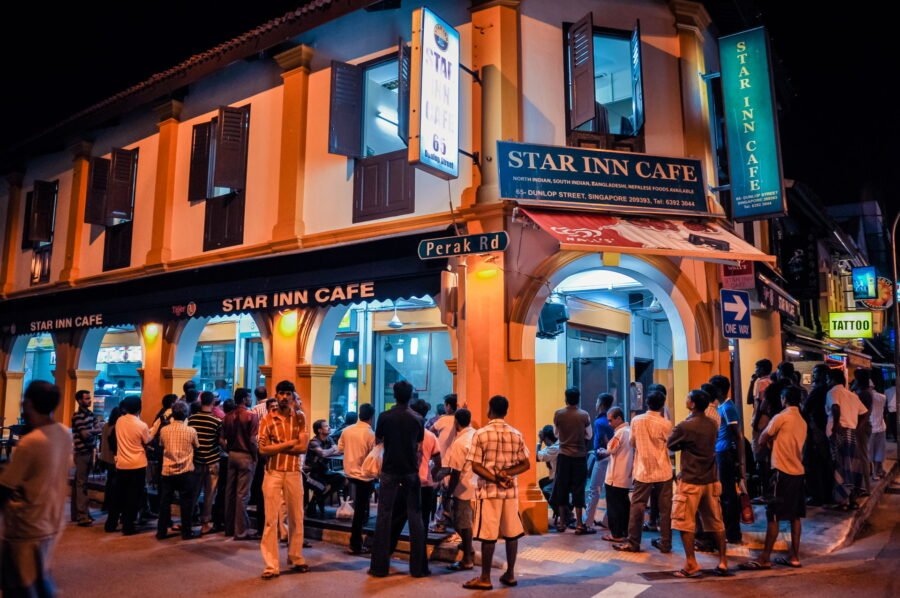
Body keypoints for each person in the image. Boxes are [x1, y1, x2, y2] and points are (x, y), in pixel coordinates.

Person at [0, 381, 73, 598]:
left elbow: (5, 487)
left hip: (26, 527)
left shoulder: (30, 443)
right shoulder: (64, 433)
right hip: (52, 520)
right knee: (39, 579)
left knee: (20, 587)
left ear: (29, 403)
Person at [463, 395, 530, 591]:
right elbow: (525, 463)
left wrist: (495, 478)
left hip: (489, 492)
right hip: (510, 492)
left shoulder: (480, 434)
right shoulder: (516, 434)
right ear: (506, 411)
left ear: (490, 410)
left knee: (488, 535)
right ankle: (510, 574)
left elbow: (475, 465)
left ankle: (485, 578)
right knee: (511, 533)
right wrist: (507, 474)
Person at [741, 386, 808, 570]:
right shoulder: (802, 421)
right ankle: (794, 556)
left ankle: (765, 558)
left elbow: (763, 437)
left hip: (781, 472)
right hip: (798, 472)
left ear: (784, 398)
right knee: (795, 516)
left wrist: (769, 445)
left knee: (774, 515)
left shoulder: (782, 417)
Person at [668, 389, 729, 578]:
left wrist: (684, 445)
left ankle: (691, 563)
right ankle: (723, 561)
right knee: (716, 522)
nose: (685, 399)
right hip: (710, 479)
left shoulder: (685, 426)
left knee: (684, 522)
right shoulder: (712, 424)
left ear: (692, 404)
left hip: (690, 480)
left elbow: (670, 444)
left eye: (688, 397)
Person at [369, 380, 428, 578]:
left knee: (384, 515)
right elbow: (419, 444)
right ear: (411, 395)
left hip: (390, 469)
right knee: (416, 517)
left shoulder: (385, 417)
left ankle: (379, 567)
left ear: (394, 395)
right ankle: (418, 568)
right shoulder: (417, 418)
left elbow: (379, 440)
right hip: (411, 470)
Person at [258, 380, 310, 579]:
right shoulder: (267, 420)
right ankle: (271, 565)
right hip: (273, 472)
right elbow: (263, 450)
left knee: (297, 516)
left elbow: (303, 447)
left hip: (293, 472)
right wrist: (290, 443)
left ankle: (296, 557)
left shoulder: (300, 418)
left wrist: (277, 445)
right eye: (281, 393)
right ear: (276, 395)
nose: (285, 397)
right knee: (271, 520)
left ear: (293, 396)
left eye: (288, 393)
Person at [614, 390, 673, 553]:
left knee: (638, 506)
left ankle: (634, 542)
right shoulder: (666, 424)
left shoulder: (636, 420)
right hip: (663, 470)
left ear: (647, 403)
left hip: (643, 469)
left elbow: (632, 443)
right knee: (665, 508)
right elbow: (670, 445)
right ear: (662, 405)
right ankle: (666, 542)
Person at [551, 387, 593, 534]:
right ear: (578, 399)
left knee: (562, 488)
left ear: (566, 398)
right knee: (578, 489)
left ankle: (562, 523)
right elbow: (589, 435)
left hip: (563, 456)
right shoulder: (584, 415)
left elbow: (556, 434)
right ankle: (580, 523)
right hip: (580, 457)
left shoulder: (559, 414)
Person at [108, 395, 151, 535]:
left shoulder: (120, 420)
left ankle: (111, 523)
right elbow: (147, 440)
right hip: (137, 465)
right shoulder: (141, 425)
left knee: (118, 495)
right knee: (133, 496)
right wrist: (155, 429)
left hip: (121, 464)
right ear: (140, 408)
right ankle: (128, 525)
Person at [338, 402, 376, 555]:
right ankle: (356, 544)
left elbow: (340, 448)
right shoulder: (370, 434)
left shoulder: (347, 431)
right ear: (371, 417)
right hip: (364, 476)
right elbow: (374, 455)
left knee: (359, 510)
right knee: (360, 511)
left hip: (349, 473)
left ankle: (357, 542)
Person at [157, 401, 199, 540]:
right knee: (186, 503)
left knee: (165, 503)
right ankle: (186, 532)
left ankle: (161, 531)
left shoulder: (164, 430)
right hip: (186, 470)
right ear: (186, 414)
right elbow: (196, 446)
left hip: (167, 470)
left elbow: (162, 445)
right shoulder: (191, 431)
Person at [826, 369, 868, 509]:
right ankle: (852, 499)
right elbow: (864, 413)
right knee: (850, 466)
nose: (827, 381)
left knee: (840, 466)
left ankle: (843, 501)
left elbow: (835, 408)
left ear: (832, 380)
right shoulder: (852, 395)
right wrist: (856, 427)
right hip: (851, 433)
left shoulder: (832, 392)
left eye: (828, 378)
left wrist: (836, 426)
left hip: (839, 433)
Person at [442, 408, 477, 572]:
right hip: (476, 484)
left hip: (462, 487)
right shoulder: (476, 435)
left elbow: (455, 472)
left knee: (461, 522)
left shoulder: (460, 442)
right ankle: (467, 547)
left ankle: (468, 558)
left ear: (456, 422)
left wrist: (448, 494)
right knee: (464, 521)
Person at [222, 387, 259, 539]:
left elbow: (222, 439)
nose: (251, 400)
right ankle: (241, 531)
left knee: (229, 493)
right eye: (249, 397)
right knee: (242, 495)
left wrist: (229, 449)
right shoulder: (251, 415)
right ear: (244, 399)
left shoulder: (227, 416)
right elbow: (252, 440)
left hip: (232, 455)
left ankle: (229, 528)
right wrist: (255, 455)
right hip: (245, 456)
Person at [711, 375, 743, 545]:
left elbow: (736, 435)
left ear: (719, 390)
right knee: (724, 494)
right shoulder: (721, 406)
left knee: (728, 495)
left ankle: (733, 533)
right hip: (720, 453)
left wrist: (740, 461)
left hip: (725, 454)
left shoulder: (728, 408)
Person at [189, 390, 223, 534]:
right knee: (209, 495)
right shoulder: (217, 421)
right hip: (212, 461)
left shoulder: (192, 419)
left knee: (194, 493)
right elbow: (219, 441)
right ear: (213, 403)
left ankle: (189, 520)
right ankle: (205, 523)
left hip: (196, 461)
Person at [600, 407, 633, 543]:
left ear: (619, 418)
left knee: (614, 507)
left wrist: (603, 450)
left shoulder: (620, 433)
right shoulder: (630, 431)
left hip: (615, 477)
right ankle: (624, 532)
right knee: (624, 506)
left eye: (610, 420)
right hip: (625, 476)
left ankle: (616, 534)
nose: (609, 423)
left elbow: (611, 448)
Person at [802, 364, 833, 505]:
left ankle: (817, 496)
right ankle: (827, 495)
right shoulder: (830, 390)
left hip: (817, 432)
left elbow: (805, 409)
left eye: (816, 373)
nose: (813, 375)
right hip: (827, 431)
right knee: (826, 464)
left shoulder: (818, 390)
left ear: (822, 375)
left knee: (814, 465)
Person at [584, 393, 615, 530]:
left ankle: (587, 521)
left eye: (597, 401)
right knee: (609, 491)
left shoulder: (599, 422)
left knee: (594, 490)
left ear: (601, 404)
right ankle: (607, 521)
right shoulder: (611, 420)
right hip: (611, 458)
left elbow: (602, 441)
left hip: (601, 458)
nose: (596, 404)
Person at [71, 389, 100, 526]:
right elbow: (84, 434)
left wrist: (92, 431)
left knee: (81, 483)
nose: (89, 400)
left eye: (89, 398)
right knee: (81, 483)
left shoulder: (90, 414)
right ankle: (82, 515)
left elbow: (93, 430)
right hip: (82, 452)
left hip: (89, 451)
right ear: (79, 400)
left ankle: (79, 513)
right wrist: (94, 430)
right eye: (87, 399)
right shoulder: (77, 416)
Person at [411, 399, 442, 531]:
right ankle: (420, 551)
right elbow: (438, 462)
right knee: (423, 520)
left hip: (407, 482)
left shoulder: (405, 434)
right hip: (425, 482)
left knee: (402, 518)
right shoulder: (430, 436)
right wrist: (431, 475)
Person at [430, 394, 459, 532]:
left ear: (448, 406)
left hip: (442, 462)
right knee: (450, 493)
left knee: (441, 492)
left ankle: (440, 522)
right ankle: (446, 520)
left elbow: (430, 432)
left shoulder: (443, 420)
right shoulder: (460, 420)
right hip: (457, 463)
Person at [306, 418, 347, 513]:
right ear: (319, 430)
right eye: (326, 426)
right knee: (322, 487)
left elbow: (338, 451)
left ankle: (319, 499)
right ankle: (315, 502)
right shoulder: (313, 442)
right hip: (312, 474)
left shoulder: (329, 439)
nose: (329, 427)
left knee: (341, 479)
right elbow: (324, 453)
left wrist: (329, 451)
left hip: (324, 471)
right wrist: (331, 450)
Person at [852, 369, 874, 492]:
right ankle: (864, 486)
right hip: (863, 426)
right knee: (862, 456)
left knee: (862, 456)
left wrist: (858, 427)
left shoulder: (864, 393)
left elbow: (864, 414)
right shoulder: (866, 391)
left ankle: (866, 487)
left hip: (862, 426)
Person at [99, 407, 121, 513]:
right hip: (113, 458)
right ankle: (112, 505)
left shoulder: (105, 426)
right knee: (114, 483)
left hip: (105, 457)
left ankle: (106, 504)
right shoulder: (116, 427)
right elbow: (114, 445)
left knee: (109, 482)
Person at [536, 425, 559, 511]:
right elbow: (538, 456)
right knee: (542, 482)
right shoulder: (551, 447)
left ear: (546, 438)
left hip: (561, 478)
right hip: (555, 476)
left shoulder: (555, 448)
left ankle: (565, 513)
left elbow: (537, 457)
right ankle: (558, 509)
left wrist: (539, 441)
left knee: (546, 490)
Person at [869, 382, 887, 480]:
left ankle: (874, 472)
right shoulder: (882, 397)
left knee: (870, 452)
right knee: (879, 452)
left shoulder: (864, 396)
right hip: (881, 427)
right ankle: (877, 471)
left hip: (871, 428)